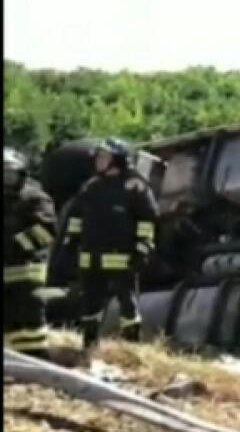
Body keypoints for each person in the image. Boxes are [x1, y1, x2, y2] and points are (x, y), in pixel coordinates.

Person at [62, 138, 159, 349]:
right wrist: (70, 243)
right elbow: (77, 218)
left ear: (117, 160)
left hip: (122, 259)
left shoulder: (135, 187)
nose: (98, 161)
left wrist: (142, 250)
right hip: (91, 258)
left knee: (127, 304)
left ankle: (132, 348)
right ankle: (89, 346)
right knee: (90, 305)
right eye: (98, 157)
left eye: (103, 157)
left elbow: (147, 221)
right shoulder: (91, 187)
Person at [4, 148, 58, 356]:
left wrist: (14, 246)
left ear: (22, 173)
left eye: (10, 174)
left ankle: (36, 365)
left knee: (29, 326)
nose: (6, 180)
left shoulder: (34, 197)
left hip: (27, 273)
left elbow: (46, 231)